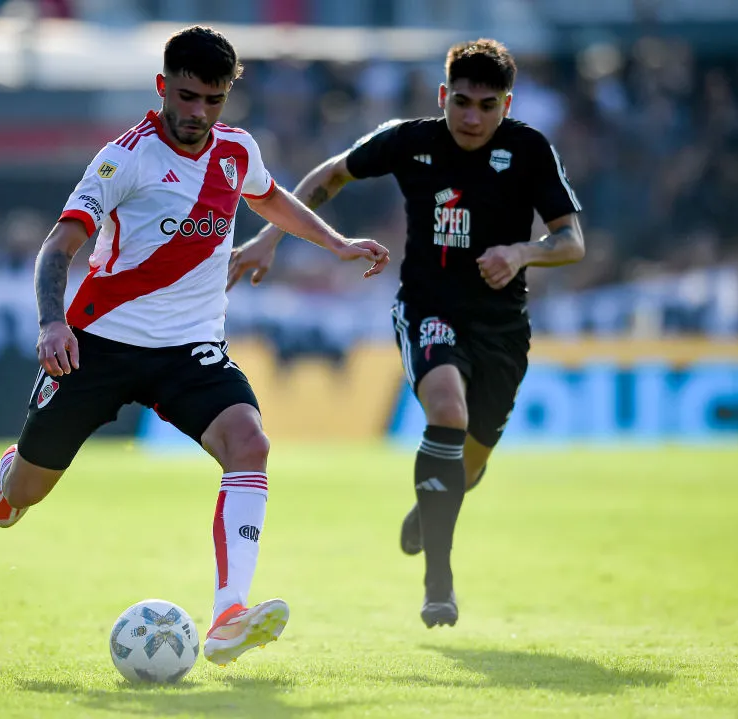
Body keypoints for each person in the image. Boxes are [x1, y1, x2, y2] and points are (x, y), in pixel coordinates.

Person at [0, 25, 389, 665]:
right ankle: (17, 469)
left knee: (249, 442)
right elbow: (57, 247)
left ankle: (229, 613)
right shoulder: (124, 159)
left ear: (226, 99)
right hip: (98, 343)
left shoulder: (236, 151)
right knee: (26, 497)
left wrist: (336, 243)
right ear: (162, 88)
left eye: (211, 100)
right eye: (185, 96)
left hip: (189, 348)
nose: (196, 113)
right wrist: (50, 323)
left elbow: (271, 199)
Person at [228, 39, 585, 628]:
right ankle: (438, 584)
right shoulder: (412, 139)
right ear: (444, 96)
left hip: (501, 327)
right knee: (446, 410)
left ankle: (432, 506)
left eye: (486, 106)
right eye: (462, 102)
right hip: (427, 308)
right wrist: (269, 237)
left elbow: (571, 241)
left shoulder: (528, 150)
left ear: (507, 105)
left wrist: (522, 254)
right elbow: (332, 174)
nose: (472, 118)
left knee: (469, 461)